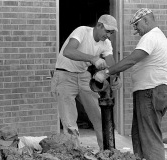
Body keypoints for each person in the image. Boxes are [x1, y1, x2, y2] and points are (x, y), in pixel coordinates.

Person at [94, 8, 167, 160]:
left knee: (149, 138)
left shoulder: (151, 37)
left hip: (151, 91)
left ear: (146, 20)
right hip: (151, 91)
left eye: (137, 25)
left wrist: (106, 73)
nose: (136, 30)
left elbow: (132, 59)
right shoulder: (156, 37)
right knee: (139, 135)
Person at [51, 14, 122, 149]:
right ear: (99, 25)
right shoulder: (82, 31)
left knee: (100, 117)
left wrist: (116, 77)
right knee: (69, 123)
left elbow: (111, 64)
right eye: (107, 31)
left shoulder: (106, 43)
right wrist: (93, 59)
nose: (109, 35)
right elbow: (68, 51)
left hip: (83, 76)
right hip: (64, 75)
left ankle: (107, 152)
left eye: (111, 33)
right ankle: (74, 153)